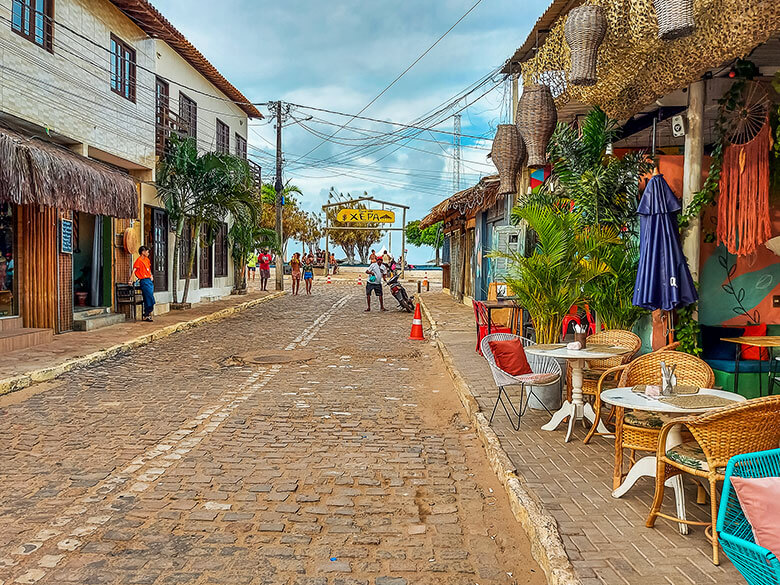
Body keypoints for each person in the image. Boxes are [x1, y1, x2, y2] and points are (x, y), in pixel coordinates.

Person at [130, 246, 155, 322]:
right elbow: (134, 270)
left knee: (150, 297)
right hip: (143, 280)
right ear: (143, 252)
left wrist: (151, 275)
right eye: (147, 251)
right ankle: (146, 314)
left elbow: (149, 269)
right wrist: (130, 279)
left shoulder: (147, 260)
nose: (148, 253)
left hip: (149, 280)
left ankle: (147, 314)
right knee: (149, 297)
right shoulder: (139, 260)